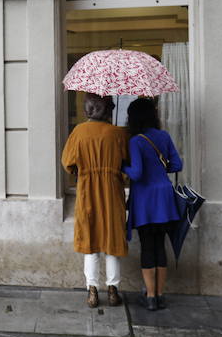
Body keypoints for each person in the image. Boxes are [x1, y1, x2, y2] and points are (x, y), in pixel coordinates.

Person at [62, 93, 128, 308]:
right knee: (112, 242)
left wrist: (82, 171)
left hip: (87, 192)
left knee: (90, 243)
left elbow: (68, 163)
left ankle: (92, 291)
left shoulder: (79, 132)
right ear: (108, 110)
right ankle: (113, 291)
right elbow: (127, 164)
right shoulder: (117, 133)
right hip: (112, 193)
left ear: (88, 110)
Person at [123, 97, 183, 312]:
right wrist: (158, 171)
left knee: (147, 246)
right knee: (160, 246)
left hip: (146, 200)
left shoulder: (136, 141)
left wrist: (123, 167)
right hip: (165, 199)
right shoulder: (164, 136)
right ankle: (159, 294)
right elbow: (177, 164)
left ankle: (149, 297)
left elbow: (137, 173)